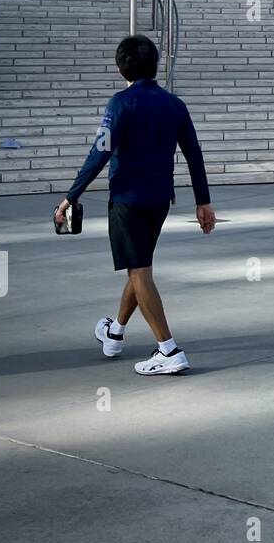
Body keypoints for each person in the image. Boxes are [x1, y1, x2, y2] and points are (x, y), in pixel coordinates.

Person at [55, 35, 215, 377]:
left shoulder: (120, 103)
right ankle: (115, 332)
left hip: (128, 200)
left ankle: (169, 349)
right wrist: (203, 201)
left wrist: (71, 195)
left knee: (139, 271)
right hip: (160, 200)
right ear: (156, 65)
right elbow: (194, 155)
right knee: (139, 266)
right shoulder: (175, 105)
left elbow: (100, 152)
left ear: (120, 67)